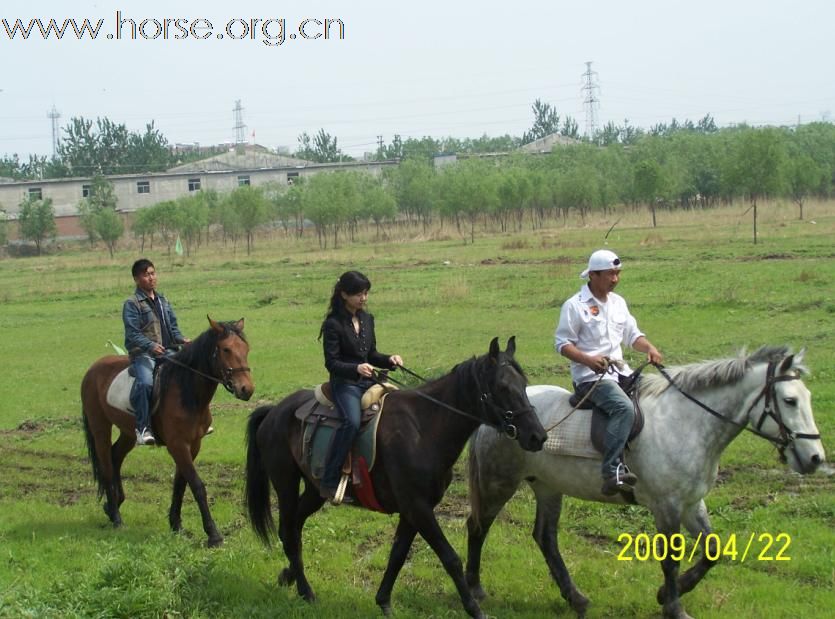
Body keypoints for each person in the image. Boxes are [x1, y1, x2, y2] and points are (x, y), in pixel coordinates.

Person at [555, 249, 663, 495]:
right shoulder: (575, 306)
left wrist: (649, 347)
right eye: (609, 274)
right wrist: (588, 360)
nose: (615, 279)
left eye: (617, 273)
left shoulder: (618, 303)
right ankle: (612, 470)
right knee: (623, 408)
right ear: (593, 275)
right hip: (590, 378)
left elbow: (632, 336)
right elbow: (562, 344)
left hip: (619, 372)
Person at [319, 271, 403, 502]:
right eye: (358, 294)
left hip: (369, 381)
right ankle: (329, 479)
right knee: (352, 422)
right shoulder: (332, 324)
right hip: (344, 384)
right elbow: (332, 362)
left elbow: (372, 354)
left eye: (366, 293)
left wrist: (389, 360)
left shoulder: (367, 319)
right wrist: (355, 369)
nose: (363, 298)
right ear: (344, 294)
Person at [123, 258, 190, 446]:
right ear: (137, 279)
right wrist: (150, 346)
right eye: (146, 275)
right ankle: (142, 427)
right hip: (143, 354)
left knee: (188, 374)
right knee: (145, 384)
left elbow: (172, 328)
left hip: (167, 352)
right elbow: (132, 333)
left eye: (153, 273)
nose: (151, 278)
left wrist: (181, 339)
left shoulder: (163, 301)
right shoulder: (132, 303)